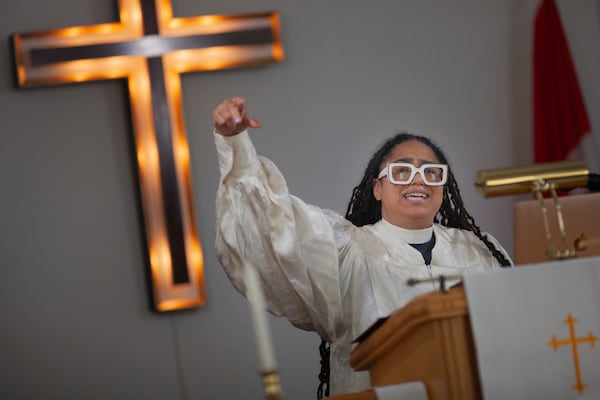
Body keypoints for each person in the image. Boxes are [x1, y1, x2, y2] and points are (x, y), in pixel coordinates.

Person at [212, 96, 513, 398]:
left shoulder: (480, 250)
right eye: (402, 171)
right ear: (378, 188)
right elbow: (275, 227)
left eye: (431, 172)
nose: (419, 181)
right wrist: (235, 144)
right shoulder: (349, 251)